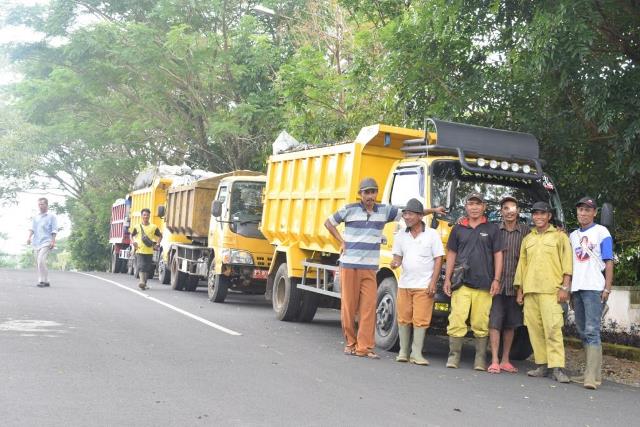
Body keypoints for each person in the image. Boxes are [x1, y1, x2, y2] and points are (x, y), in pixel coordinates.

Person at [324, 177, 444, 359]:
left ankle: (364, 347)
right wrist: (341, 241)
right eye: (367, 192)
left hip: (370, 268)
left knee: (369, 307)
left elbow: (411, 214)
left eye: (373, 192)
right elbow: (328, 222)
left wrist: (433, 210)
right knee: (349, 307)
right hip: (349, 265)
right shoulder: (349, 209)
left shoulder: (383, 211)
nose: (370, 196)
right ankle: (351, 343)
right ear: (360, 194)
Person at [443, 192, 504, 371]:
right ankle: (453, 356)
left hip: (484, 284)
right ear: (466, 206)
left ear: (484, 207)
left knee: (480, 323)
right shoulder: (458, 228)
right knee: (456, 320)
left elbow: (498, 255)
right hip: (461, 283)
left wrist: (496, 279)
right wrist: (447, 278)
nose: (474, 207)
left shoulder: (492, 229)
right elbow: (452, 254)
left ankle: (479, 358)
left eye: (478, 204)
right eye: (471, 204)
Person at [514, 201, 572, 383]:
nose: (538, 217)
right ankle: (542, 365)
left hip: (551, 291)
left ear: (549, 216)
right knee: (535, 330)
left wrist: (565, 287)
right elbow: (521, 266)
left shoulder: (559, 237)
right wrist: (520, 290)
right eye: (535, 214)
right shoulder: (528, 239)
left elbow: (567, 264)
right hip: (530, 291)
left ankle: (558, 368)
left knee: (553, 329)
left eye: (542, 214)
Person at [390, 198, 445, 365]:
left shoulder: (432, 235)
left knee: (421, 319)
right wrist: (395, 263)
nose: (406, 217)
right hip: (405, 284)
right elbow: (397, 257)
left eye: (410, 214)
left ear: (420, 216)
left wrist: (433, 283)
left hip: (424, 285)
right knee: (404, 318)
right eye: (405, 213)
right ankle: (403, 352)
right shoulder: (400, 235)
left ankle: (416, 354)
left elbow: (438, 259)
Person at [569, 197, 614, 390]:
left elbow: (609, 261)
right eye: (580, 210)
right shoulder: (572, 236)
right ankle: (593, 374)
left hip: (595, 287)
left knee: (592, 330)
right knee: (581, 330)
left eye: (588, 210)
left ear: (594, 213)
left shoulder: (602, 232)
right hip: (577, 288)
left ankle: (590, 376)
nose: (583, 213)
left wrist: (607, 288)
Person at [487, 196, 530, 374]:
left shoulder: (527, 231)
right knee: (495, 322)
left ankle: (505, 359)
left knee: (511, 324)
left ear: (518, 211)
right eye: (506, 208)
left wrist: (559, 231)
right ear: (501, 212)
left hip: (516, 285)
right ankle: (495, 359)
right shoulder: (494, 230)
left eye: (513, 208)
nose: (510, 211)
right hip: (496, 284)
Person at [27, 197, 58, 287]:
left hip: (47, 241)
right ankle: (47, 280)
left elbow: (54, 230)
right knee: (40, 261)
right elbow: (32, 229)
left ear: (46, 205)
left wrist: (53, 241)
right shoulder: (36, 217)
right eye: (39, 204)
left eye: (42, 204)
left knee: (40, 260)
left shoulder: (51, 216)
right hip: (36, 242)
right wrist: (29, 238)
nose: (40, 206)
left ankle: (41, 280)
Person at [130, 208, 162, 290]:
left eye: (147, 215)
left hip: (149, 251)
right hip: (140, 250)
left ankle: (144, 283)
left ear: (149, 216)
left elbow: (160, 236)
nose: (146, 216)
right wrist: (133, 242)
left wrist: (157, 244)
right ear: (141, 216)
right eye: (144, 215)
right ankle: (141, 281)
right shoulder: (137, 226)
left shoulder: (153, 227)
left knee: (147, 268)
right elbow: (131, 235)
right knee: (141, 266)